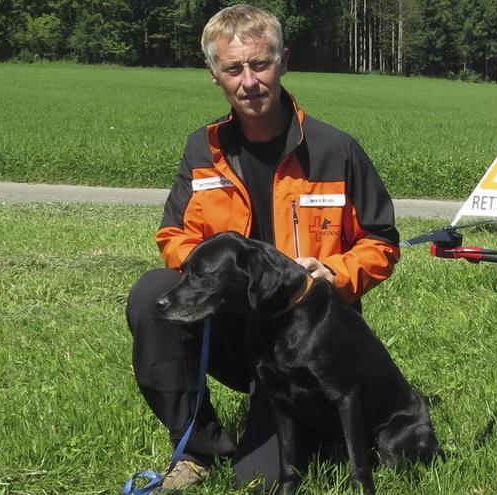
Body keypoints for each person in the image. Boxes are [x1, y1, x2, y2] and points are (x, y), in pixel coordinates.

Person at [125, 4, 400, 492]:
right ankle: (196, 449)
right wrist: (211, 274)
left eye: (260, 64)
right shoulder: (201, 149)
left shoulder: (336, 149)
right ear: (215, 75)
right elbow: (173, 238)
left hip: (306, 334)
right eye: (233, 68)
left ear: (283, 61)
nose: (249, 81)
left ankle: (312, 426)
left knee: (261, 481)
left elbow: (381, 243)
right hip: (233, 329)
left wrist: (331, 275)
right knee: (153, 295)